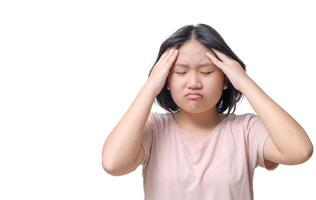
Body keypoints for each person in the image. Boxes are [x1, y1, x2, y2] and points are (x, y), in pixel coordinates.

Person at [102, 24, 313, 200]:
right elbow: (113, 164)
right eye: (181, 72)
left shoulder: (246, 130)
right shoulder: (153, 129)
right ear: (166, 79)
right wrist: (149, 87)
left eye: (206, 72)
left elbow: (300, 151)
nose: (193, 83)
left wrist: (244, 82)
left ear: (225, 79)